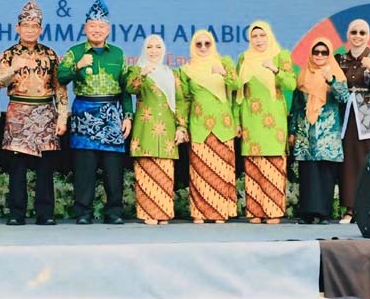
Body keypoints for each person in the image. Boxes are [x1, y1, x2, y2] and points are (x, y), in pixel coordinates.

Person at [57, 0, 133, 225]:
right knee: (85, 169)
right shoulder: (75, 52)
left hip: (111, 113)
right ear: (85, 28)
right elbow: (60, 77)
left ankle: (114, 212)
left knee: (113, 169)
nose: (96, 30)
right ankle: (83, 213)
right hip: (85, 112)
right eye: (92, 26)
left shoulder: (118, 54)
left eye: (101, 26)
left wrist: (128, 116)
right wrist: (77, 65)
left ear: (108, 29)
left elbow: (126, 88)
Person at [0, 1, 68, 225]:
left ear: (40, 29)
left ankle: (45, 213)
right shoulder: (9, 54)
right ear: (17, 28)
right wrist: (13, 69)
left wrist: (63, 117)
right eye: (25, 26)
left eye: (34, 26)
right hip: (18, 112)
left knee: (45, 167)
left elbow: (60, 88)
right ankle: (16, 213)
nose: (29, 30)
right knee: (17, 167)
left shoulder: (50, 54)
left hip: (45, 113)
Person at [236, 20, 296, 224]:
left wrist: (275, 70)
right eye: (254, 36)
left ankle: (273, 211)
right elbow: (238, 93)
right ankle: (255, 211)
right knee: (253, 165)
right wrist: (237, 121)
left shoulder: (280, 55)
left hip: (273, 120)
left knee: (273, 165)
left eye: (262, 35)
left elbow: (291, 83)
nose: (258, 40)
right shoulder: (244, 58)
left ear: (269, 36)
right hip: (250, 120)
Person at [179, 30, 240, 224]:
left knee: (221, 170)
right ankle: (200, 212)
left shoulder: (224, 62)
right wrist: (182, 126)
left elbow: (237, 86)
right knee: (200, 171)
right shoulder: (186, 70)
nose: (203, 47)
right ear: (193, 47)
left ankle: (220, 212)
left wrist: (224, 73)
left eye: (207, 43)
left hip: (223, 126)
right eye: (199, 44)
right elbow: (184, 100)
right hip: (199, 126)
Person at [126, 35, 187, 225]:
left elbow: (181, 102)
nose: (154, 51)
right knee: (146, 171)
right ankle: (148, 213)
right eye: (150, 47)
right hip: (145, 129)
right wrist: (143, 74)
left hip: (168, 130)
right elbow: (130, 88)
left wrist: (181, 127)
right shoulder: (137, 69)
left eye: (158, 47)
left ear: (163, 50)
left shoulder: (171, 73)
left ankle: (163, 213)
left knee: (165, 172)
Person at [289, 38, 349, 224]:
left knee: (325, 173)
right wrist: (292, 131)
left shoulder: (336, 74)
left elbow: (344, 97)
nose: (320, 55)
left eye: (324, 52)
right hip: (306, 131)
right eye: (316, 52)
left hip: (327, 133)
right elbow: (296, 106)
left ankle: (323, 214)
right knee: (308, 173)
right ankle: (307, 214)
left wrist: (331, 80)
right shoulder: (303, 74)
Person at [335, 19, 370, 223]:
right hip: (346, 117)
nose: (358, 36)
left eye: (362, 32)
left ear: (368, 35)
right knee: (348, 163)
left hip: (369, 119)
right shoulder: (340, 59)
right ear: (348, 35)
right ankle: (350, 209)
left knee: (367, 163)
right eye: (354, 32)